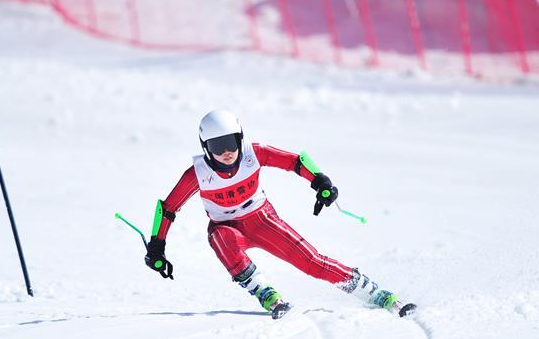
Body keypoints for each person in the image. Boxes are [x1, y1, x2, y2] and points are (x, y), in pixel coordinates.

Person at [144, 109, 416, 319]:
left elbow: (295, 161)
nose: (226, 152)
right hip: (227, 228)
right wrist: (157, 245)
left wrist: (320, 181)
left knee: (312, 263)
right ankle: (266, 293)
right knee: (219, 237)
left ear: (240, 138)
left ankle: (376, 293)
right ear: (205, 148)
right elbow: (168, 208)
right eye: (217, 146)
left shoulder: (254, 153)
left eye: (230, 142)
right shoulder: (198, 174)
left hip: (261, 219)